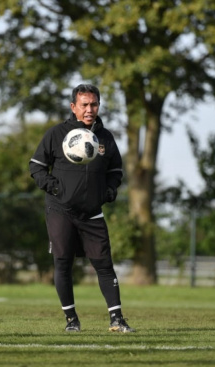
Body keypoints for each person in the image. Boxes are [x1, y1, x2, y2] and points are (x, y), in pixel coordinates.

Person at [29, 84, 134, 333]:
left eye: (94, 104)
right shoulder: (56, 134)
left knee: (104, 264)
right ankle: (71, 321)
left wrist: (109, 189)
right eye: (84, 105)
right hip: (60, 210)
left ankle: (117, 320)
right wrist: (54, 188)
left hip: (92, 213)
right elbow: (36, 167)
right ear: (73, 106)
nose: (90, 109)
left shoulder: (105, 137)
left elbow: (116, 170)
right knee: (63, 262)